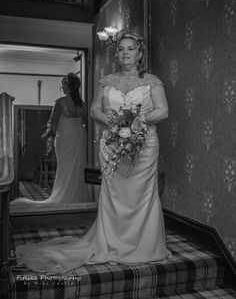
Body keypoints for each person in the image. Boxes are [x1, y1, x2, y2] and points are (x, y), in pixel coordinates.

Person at [14, 31, 171, 273]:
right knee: (115, 195)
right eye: (121, 49)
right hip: (111, 145)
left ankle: (145, 246)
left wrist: (138, 120)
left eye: (130, 49)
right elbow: (94, 111)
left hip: (145, 146)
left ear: (139, 54)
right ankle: (111, 243)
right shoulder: (107, 82)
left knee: (143, 195)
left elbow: (163, 111)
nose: (125, 53)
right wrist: (113, 121)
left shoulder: (152, 81)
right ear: (117, 54)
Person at [11, 73, 92, 204]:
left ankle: (63, 197)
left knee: (65, 168)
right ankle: (77, 198)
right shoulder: (82, 104)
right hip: (80, 136)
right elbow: (84, 122)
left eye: (63, 86)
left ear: (68, 87)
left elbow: (53, 125)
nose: (62, 88)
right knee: (78, 167)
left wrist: (49, 136)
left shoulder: (61, 102)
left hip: (65, 137)